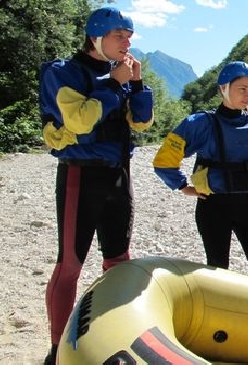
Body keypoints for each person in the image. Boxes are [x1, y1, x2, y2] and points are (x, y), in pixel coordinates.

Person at [39, 7, 154, 364]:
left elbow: (143, 122)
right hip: (80, 175)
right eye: (120, 36)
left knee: (118, 260)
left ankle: (111, 336)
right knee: (70, 263)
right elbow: (79, 121)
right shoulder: (61, 72)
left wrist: (136, 84)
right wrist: (115, 84)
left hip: (118, 175)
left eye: (129, 37)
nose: (127, 43)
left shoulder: (117, 72)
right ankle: (57, 349)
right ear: (96, 36)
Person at [153, 61, 248, 281]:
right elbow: (164, 160)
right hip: (213, 207)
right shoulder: (200, 123)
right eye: (242, 89)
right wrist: (183, 186)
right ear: (224, 88)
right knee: (218, 269)